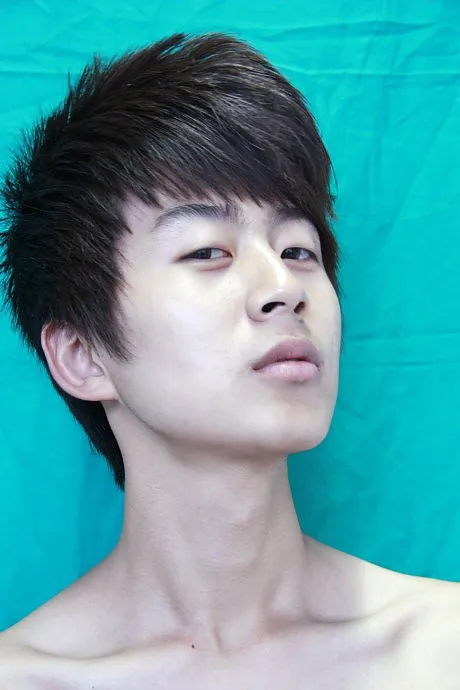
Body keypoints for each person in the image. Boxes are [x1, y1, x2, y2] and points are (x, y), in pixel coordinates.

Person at [0, 31, 458, 689]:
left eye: (298, 249)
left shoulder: (442, 647)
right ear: (83, 355)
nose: (283, 287)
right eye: (208, 252)